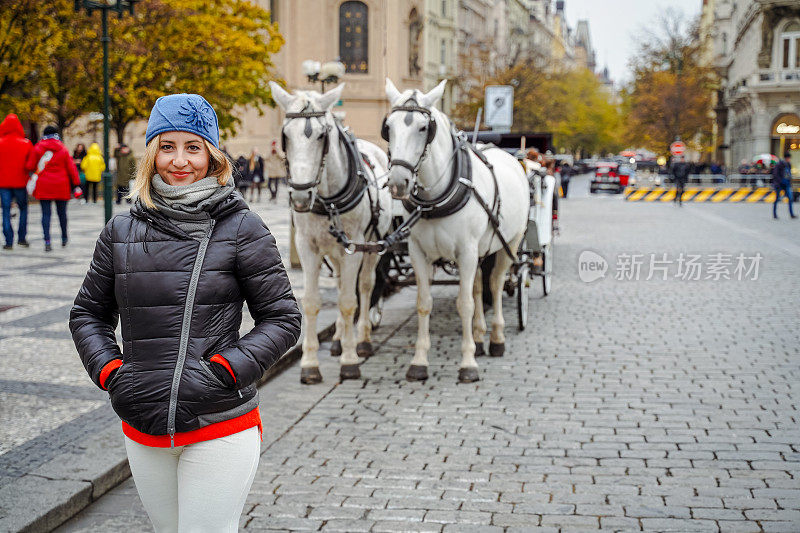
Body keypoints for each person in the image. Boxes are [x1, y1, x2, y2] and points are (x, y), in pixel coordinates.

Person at [69, 93, 302, 532]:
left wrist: (224, 371)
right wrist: (112, 373)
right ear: (152, 153)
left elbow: (284, 317)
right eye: (167, 146)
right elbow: (87, 314)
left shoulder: (241, 227)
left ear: (212, 156)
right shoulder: (121, 230)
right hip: (143, 427)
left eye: (193, 147)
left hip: (219, 423)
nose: (180, 161)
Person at [26, 126, 81, 251]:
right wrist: (76, 184)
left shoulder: (38, 147)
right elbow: (71, 168)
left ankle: (47, 241)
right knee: (62, 214)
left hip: (44, 185)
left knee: (46, 214)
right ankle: (64, 238)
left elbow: (29, 165)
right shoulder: (63, 148)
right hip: (61, 185)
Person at [0, 114, 33, 250]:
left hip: (3, 183)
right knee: (23, 209)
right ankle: (21, 237)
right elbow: (30, 165)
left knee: (6, 210)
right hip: (20, 182)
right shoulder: (26, 143)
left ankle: (8, 241)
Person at [771, 151, 796, 220]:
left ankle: (791, 214)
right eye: (788, 158)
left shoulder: (789, 164)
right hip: (780, 184)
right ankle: (775, 214)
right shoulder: (780, 164)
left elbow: (789, 173)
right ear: (786, 158)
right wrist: (780, 181)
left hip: (787, 184)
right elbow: (775, 174)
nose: (789, 159)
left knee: (790, 198)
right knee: (777, 199)